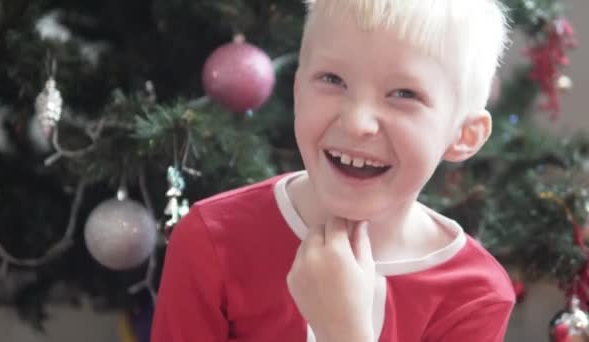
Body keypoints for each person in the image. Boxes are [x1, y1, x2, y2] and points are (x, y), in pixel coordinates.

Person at [151, 0, 516, 341]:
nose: (357, 123)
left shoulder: (476, 295)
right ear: (297, 91)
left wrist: (344, 331)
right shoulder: (211, 241)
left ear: (464, 136)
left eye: (404, 94)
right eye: (332, 80)